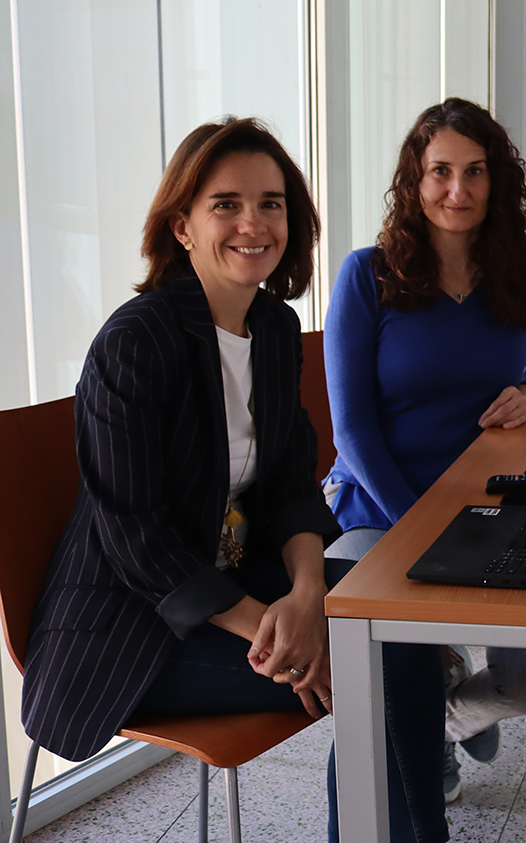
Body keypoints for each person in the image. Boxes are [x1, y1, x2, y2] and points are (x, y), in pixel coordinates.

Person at [15, 119, 449, 841]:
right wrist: (281, 636)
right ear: (181, 226)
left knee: (400, 630)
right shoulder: (135, 344)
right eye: (226, 204)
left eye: (272, 203)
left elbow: (287, 487)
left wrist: (308, 597)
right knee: (380, 668)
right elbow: (137, 540)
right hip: (126, 632)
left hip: (247, 596)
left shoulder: (273, 332)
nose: (253, 223)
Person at [323, 98, 526, 805]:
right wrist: (420, 524)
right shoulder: (367, 276)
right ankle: (421, 719)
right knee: (380, 652)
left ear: (498, 182)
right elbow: (353, 430)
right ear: (414, 179)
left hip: (492, 504)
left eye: (474, 172)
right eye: (439, 172)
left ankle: (444, 722)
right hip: (378, 504)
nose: (456, 191)